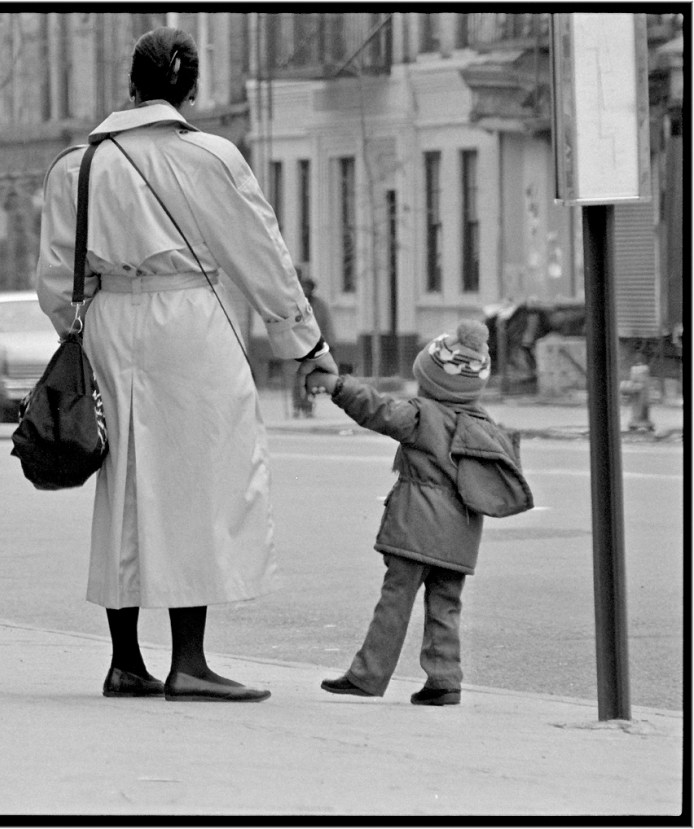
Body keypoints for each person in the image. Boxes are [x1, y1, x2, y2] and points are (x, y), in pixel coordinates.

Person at [36, 26, 338, 703]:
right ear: (190, 89)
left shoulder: (75, 165)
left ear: (132, 82)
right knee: (196, 484)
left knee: (124, 488)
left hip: (109, 322)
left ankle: (124, 661)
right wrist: (306, 347)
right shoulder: (211, 157)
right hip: (188, 323)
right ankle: (191, 661)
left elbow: (55, 282)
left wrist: (85, 331)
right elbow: (261, 256)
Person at [308, 320, 520, 706]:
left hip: (416, 530)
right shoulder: (485, 425)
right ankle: (444, 680)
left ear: (432, 379)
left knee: (395, 600)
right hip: (461, 535)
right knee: (445, 606)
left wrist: (337, 386)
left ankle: (367, 675)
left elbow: (377, 410)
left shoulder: (422, 415)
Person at [291, 276, 333, 418]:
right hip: (298, 345)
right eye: (303, 287)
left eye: (308, 288)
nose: (305, 290)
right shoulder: (296, 305)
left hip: (315, 347)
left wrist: (329, 344)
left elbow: (326, 325)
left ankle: (308, 407)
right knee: (297, 378)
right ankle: (297, 406)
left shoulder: (320, 305)